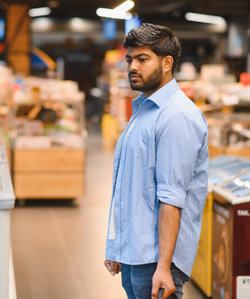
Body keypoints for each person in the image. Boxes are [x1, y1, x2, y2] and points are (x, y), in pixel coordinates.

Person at [104, 23, 208, 299]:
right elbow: (128, 187)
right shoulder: (143, 110)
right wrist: (117, 248)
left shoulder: (176, 117)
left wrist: (164, 266)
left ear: (167, 63)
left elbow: (171, 198)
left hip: (156, 260)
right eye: (130, 59)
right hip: (136, 254)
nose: (132, 67)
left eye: (142, 59)